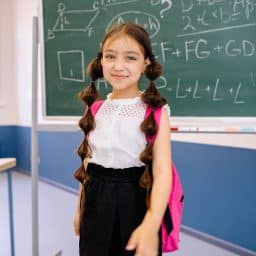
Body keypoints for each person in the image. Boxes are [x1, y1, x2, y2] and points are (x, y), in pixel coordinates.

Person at [73, 22, 172, 256]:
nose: (118, 66)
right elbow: (87, 166)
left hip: (137, 199)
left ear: (146, 62)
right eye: (110, 56)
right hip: (96, 202)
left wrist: (151, 224)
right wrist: (79, 210)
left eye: (130, 58)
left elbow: (163, 171)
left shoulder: (155, 111)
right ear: (101, 61)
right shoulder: (94, 109)